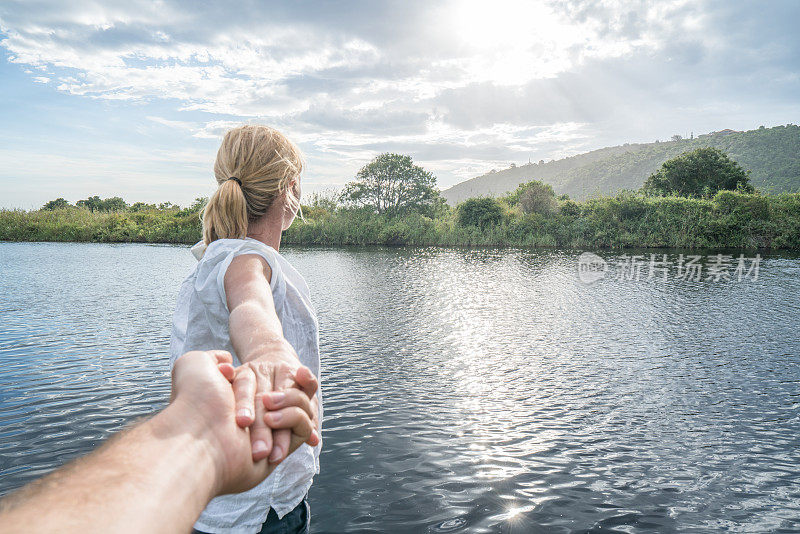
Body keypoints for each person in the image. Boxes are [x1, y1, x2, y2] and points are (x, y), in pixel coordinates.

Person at [169, 124, 323, 533]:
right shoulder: (245, 262)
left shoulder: (216, 258)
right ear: (290, 189)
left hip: (216, 501)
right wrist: (269, 349)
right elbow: (250, 306)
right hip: (258, 513)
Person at [0, 350, 320, 533]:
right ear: (282, 224)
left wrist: (204, 443)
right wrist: (273, 348)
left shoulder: (203, 268)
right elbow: (250, 302)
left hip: (205, 512)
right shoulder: (250, 258)